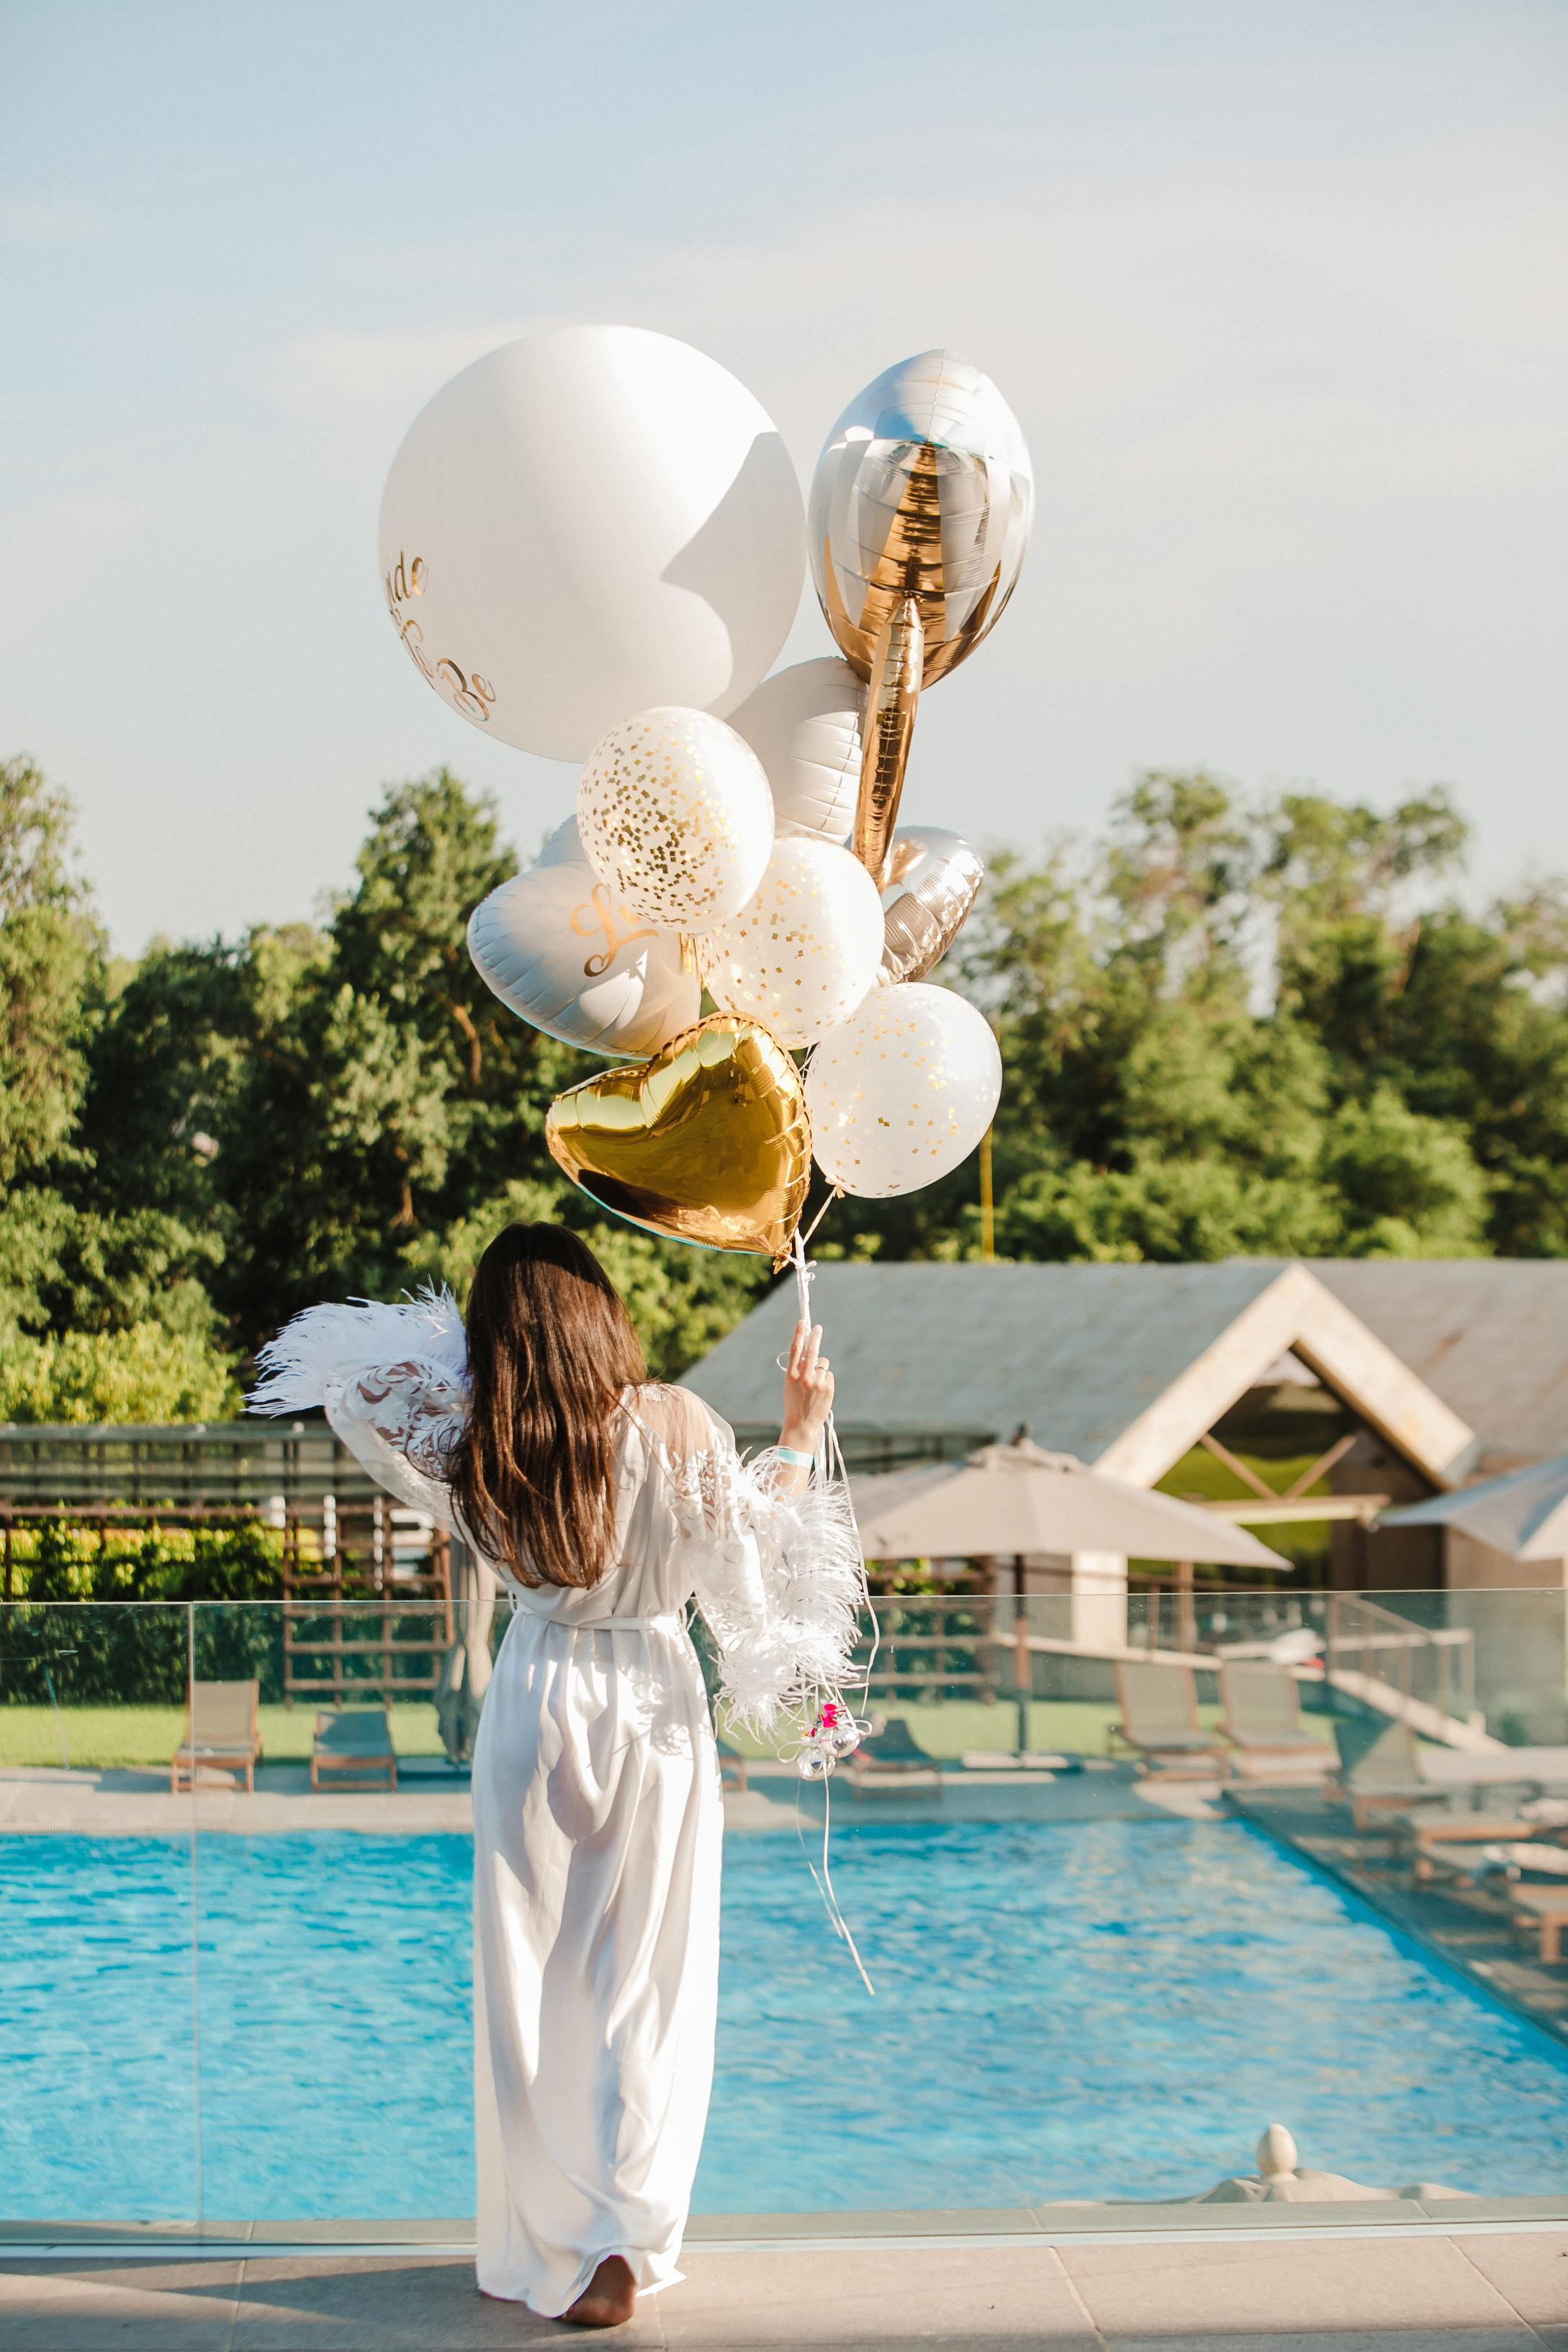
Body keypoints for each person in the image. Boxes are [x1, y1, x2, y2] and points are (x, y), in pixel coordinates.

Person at [251, 1222, 857, 2329]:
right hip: (651, 1700)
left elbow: (352, 1392)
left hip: (534, 1696)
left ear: (490, 1334)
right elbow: (746, 1545)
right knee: (645, 1978)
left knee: (530, 1981)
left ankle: (547, 2244)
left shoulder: (476, 1438)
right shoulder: (675, 1421)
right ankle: (620, 2238)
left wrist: (466, 1360)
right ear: (602, 1315)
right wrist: (801, 1435)